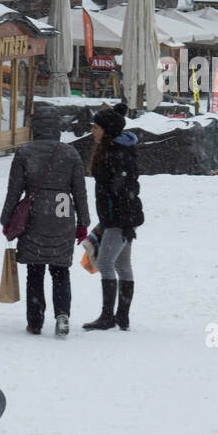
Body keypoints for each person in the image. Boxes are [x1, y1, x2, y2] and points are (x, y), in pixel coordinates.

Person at [0, 107, 90, 336]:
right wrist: (83, 222)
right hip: (63, 213)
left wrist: (6, 218)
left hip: (35, 214)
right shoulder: (70, 153)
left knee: (35, 270)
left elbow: (14, 190)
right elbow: (80, 192)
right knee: (61, 270)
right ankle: (62, 315)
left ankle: (35, 320)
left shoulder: (25, 152)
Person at [82, 105, 142, 331]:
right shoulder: (116, 150)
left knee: (106, 263)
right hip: (120, 217)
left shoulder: (116, 154)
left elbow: (123, 190)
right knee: (122, 264)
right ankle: (121, 317)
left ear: (106, 131)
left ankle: (108, 316)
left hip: (119, 219)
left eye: (96, 127)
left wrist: (121, 220)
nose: (92, 131)